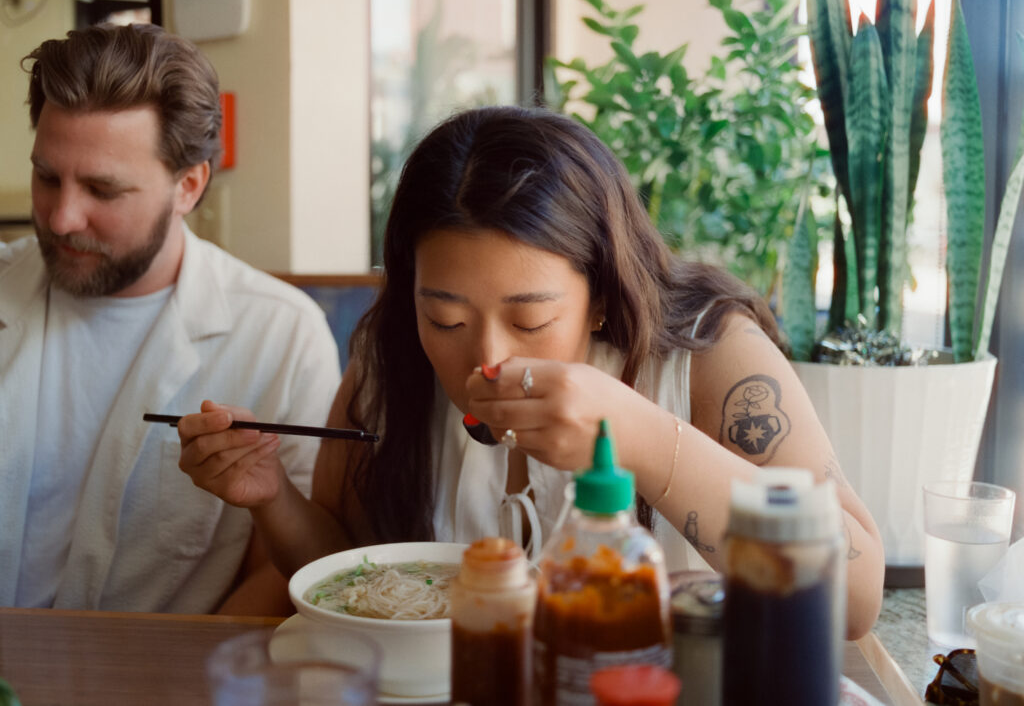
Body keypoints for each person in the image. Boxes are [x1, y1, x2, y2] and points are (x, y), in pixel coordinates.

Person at [178, 105, 884, 637]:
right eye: (445, 320)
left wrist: (641, 438)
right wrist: (270, 494)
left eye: (530, 318)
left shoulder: (706, 351)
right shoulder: (390, 362)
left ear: (602, 294)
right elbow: (352, 572)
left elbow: (853, 600)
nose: (487, 360)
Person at [0, 23, 340, 614]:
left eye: (103, 190)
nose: (60, 218)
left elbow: (295, 573)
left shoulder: (281, 334)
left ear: (188, 186)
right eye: (47, 177)